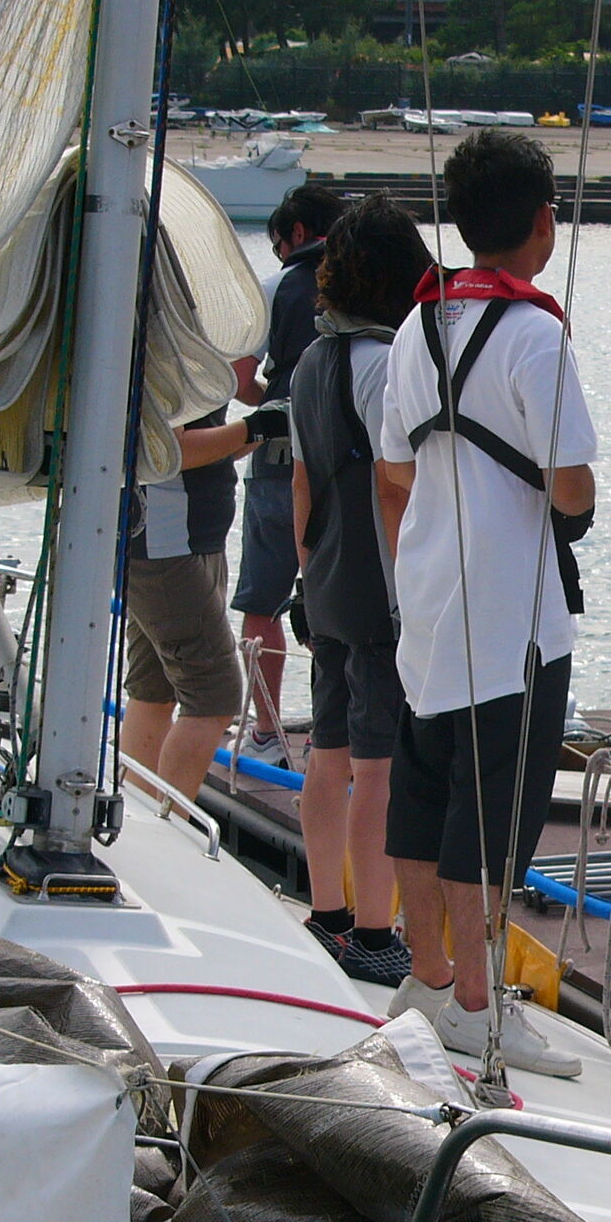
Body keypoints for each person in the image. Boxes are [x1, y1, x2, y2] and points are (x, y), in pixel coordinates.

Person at [377, 128, 597, 1078]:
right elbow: (573, 488)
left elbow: (395, 470)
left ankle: (426, 979)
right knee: (492, 815)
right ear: (544, 222)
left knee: (423, 793)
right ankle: (477, 1002)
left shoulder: (414, 328)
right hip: (514, 619)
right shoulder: (537, 335)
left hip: (427, 599)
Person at [290, 195, 432, 989]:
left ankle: (328, 912)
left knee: (329, 750)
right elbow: (396, 482)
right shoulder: (385, 363)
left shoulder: (311, 362)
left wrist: (307, 577)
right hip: (382, 588)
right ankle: (377, 932)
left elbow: (302, 483)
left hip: (328, 580)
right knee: (381, 765)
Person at [233, 183, 349, 765]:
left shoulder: (274, 288)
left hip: (279, 466)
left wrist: (278, 409)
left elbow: (238, 377)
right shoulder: (366, 283)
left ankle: (267, 732)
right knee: (342, 605)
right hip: (348, 469)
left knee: (263, 603)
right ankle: (342, 733)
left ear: (295, 233)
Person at [121, 406, 262, 800]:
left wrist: (258, 427)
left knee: (154, 690)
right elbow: (171, 450)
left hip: (189, 540)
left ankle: (135, 812)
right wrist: (252, 426)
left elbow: (208, 443)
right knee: (214, 695)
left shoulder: (194, 371)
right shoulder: (168, 369)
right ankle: (170, 822)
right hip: (167, 544)